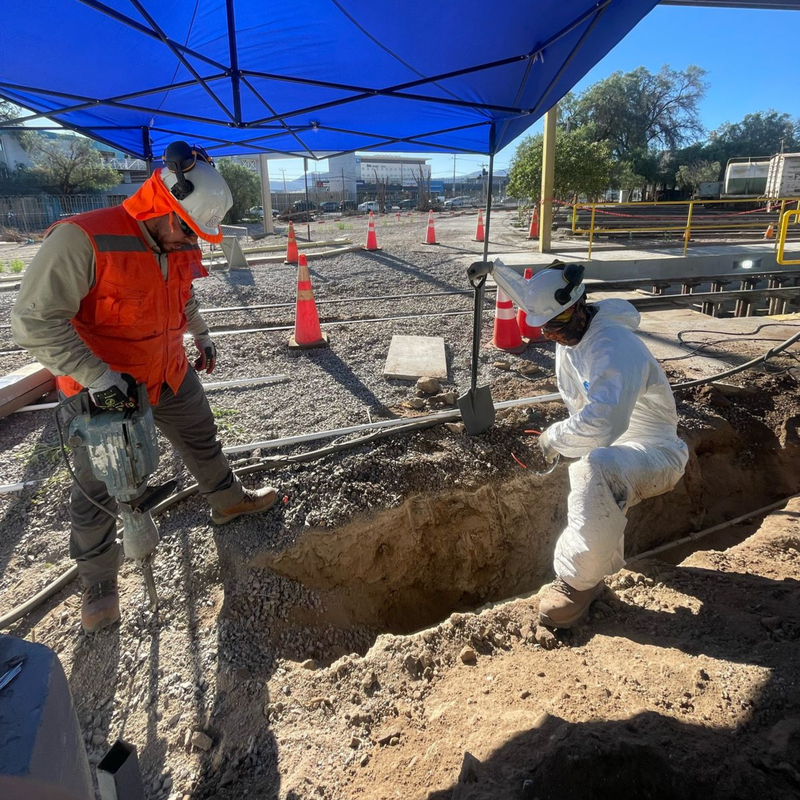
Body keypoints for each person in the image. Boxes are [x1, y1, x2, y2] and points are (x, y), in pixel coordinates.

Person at [11, 142, 278, 634]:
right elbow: (32, 322)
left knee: (202, 436)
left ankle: (226, 500)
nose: (188, 244)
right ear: (160, 204)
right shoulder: (82, 239)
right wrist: (96, 375)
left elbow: (183, 293)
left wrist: (200, 333)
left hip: (168, 371)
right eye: (185, 230)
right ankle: (98, 582)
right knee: (96, 486)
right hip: (104, 393)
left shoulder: (175, 239)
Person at [487, 259, 688, 629]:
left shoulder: (613, 348)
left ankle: (578, 584)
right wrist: (494, 271)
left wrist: (555, 438)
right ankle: (601, 572)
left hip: (654, 452)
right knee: (596, 470)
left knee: (596, 469)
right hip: (616, 446)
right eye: (543, 326)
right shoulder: (570, 324)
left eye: (555, 325)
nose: (548, 333)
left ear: (579, 305)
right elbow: (533, 298)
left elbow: (603, 425)